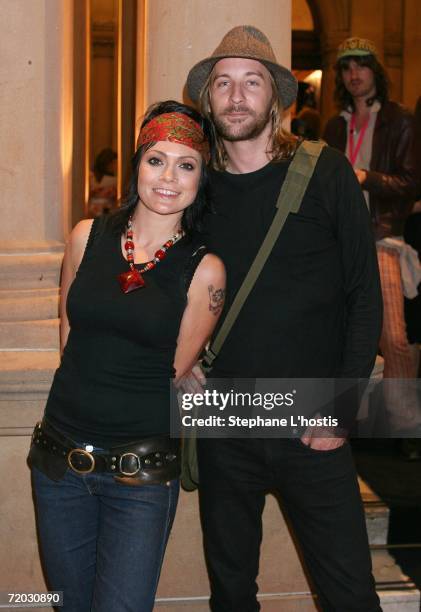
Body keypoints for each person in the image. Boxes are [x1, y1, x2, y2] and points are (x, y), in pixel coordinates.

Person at [186, 25, 382, 611]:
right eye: (223, 83)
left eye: (252, 82)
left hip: (311, 421)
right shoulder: (195, 187)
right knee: (231, 594)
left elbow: (364, 293)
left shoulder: (324, 172)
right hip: (224, 421)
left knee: (350, 595)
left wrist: (342, 403)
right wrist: (182, 364)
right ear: (209, 99)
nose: (237, 96)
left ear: (274, 96)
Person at [28, 100, 225, 612]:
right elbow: (72, 344)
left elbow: (172, 371)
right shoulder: (85, 237)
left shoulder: (205, 272)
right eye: (156, 159)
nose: (168, 177)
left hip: (138, 479)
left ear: (202, 180)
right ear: (137, 163)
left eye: (187, 165)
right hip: (58, 465)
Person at [323, 38, 420, 388]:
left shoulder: (400, 119)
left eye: (361, 65)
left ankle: (405, 424)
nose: (353, 74)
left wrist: (365, 178)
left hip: (381, 237)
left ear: (375, 70)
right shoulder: (335, 125)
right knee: (339, 335)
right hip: (339, 240)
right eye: (347, 68)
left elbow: (410, 183)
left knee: (393, 337)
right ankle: (346, 416)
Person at [88, 147, 118, 217]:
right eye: (113, 163)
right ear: (106, 163)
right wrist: (97, 191)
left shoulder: (113, 178)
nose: (114, 166)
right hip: (92, 211)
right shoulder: (91, 176)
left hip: (109, 212)